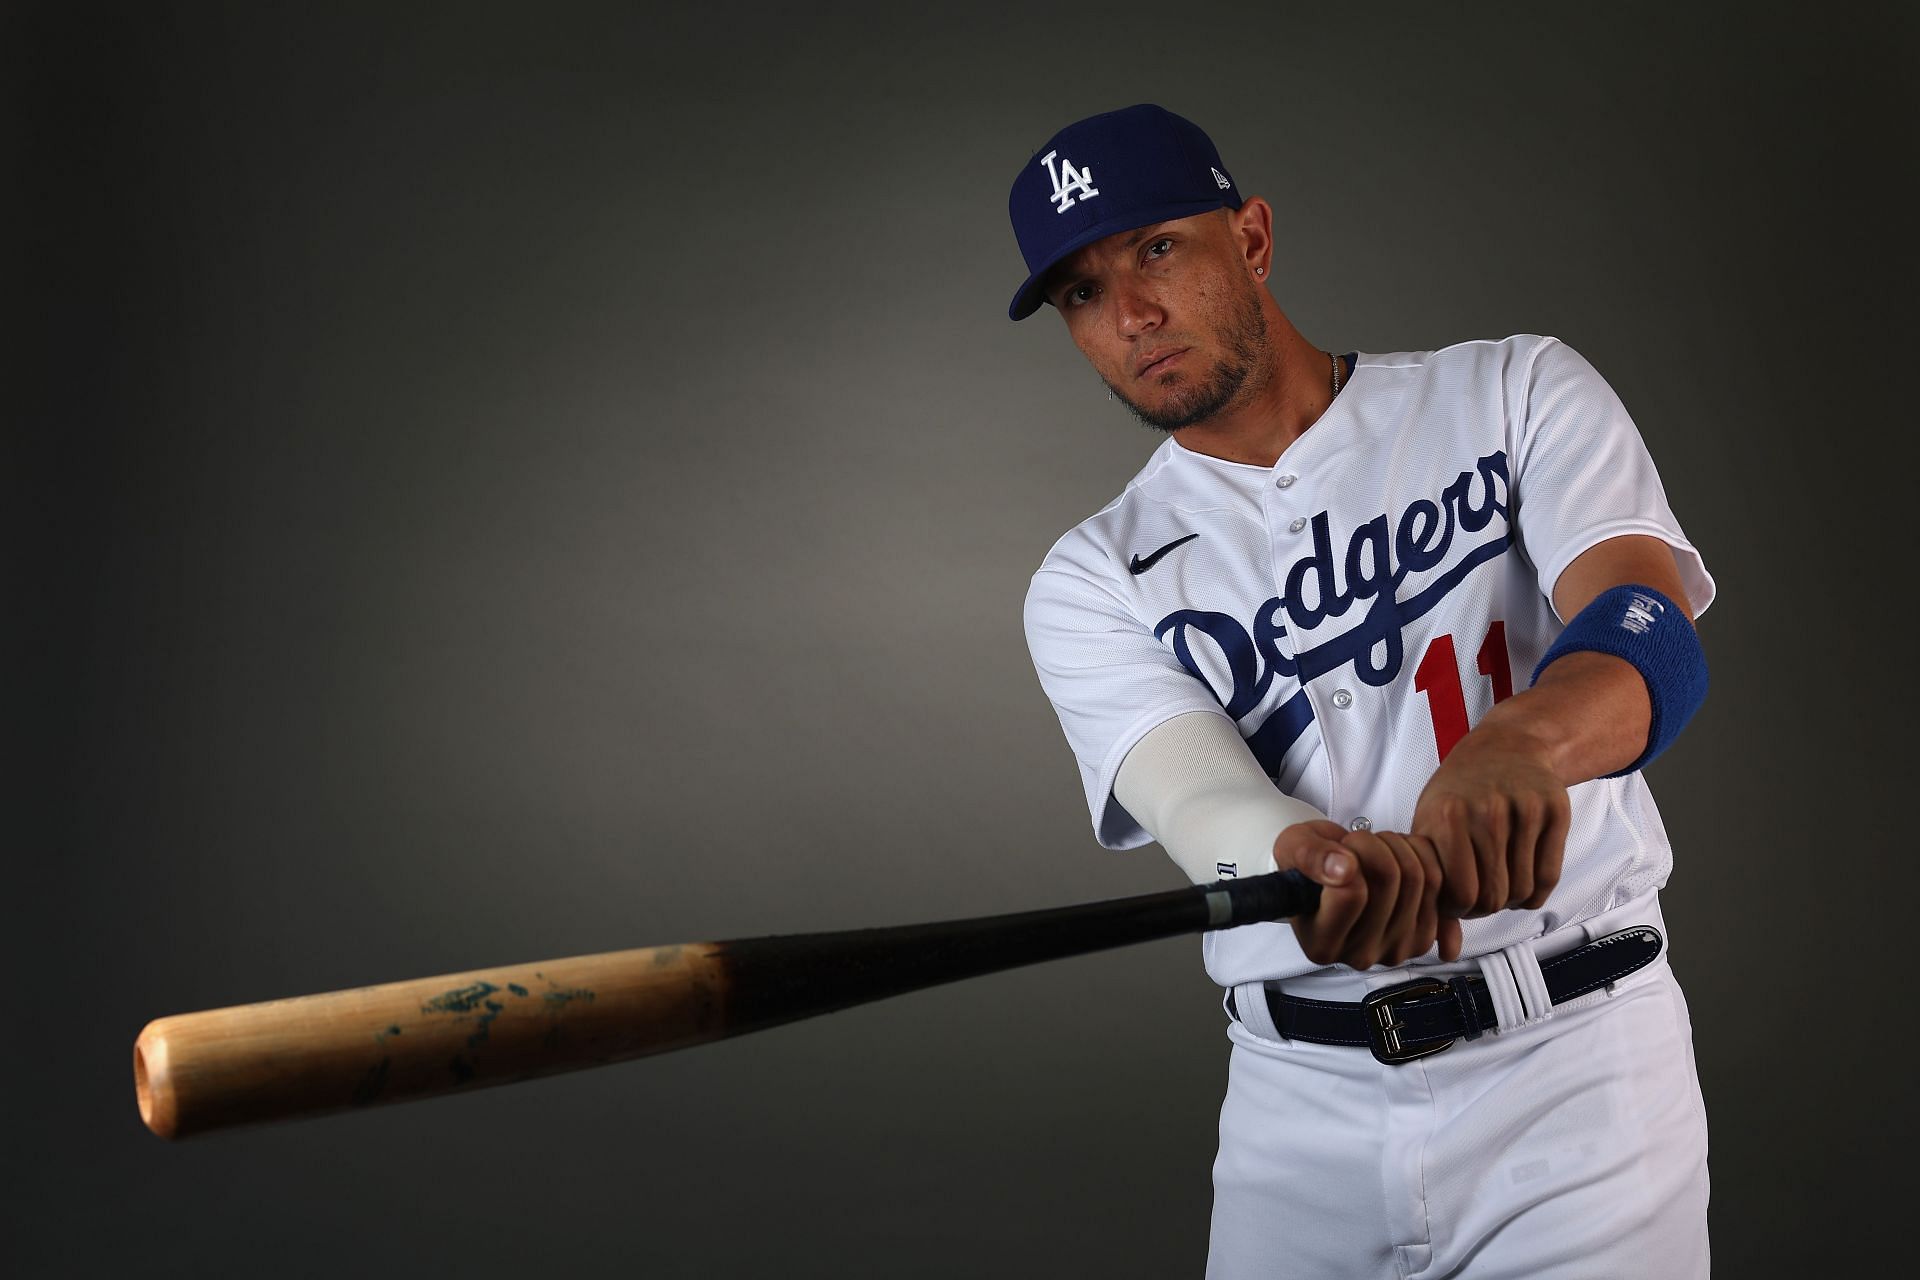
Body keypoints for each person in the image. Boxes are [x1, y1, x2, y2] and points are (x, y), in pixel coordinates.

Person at [1009, 104, 1712, 1278]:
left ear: (1255, 238)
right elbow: (1199, 802)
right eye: (1081, 292)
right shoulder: (1090, 575)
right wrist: (1301, 862)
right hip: (1300, 1116)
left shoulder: (1512, 391)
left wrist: (1522, 742)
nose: (1129, 314)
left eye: (1157, 249)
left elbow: (1652, 634)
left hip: (1577, 1073)